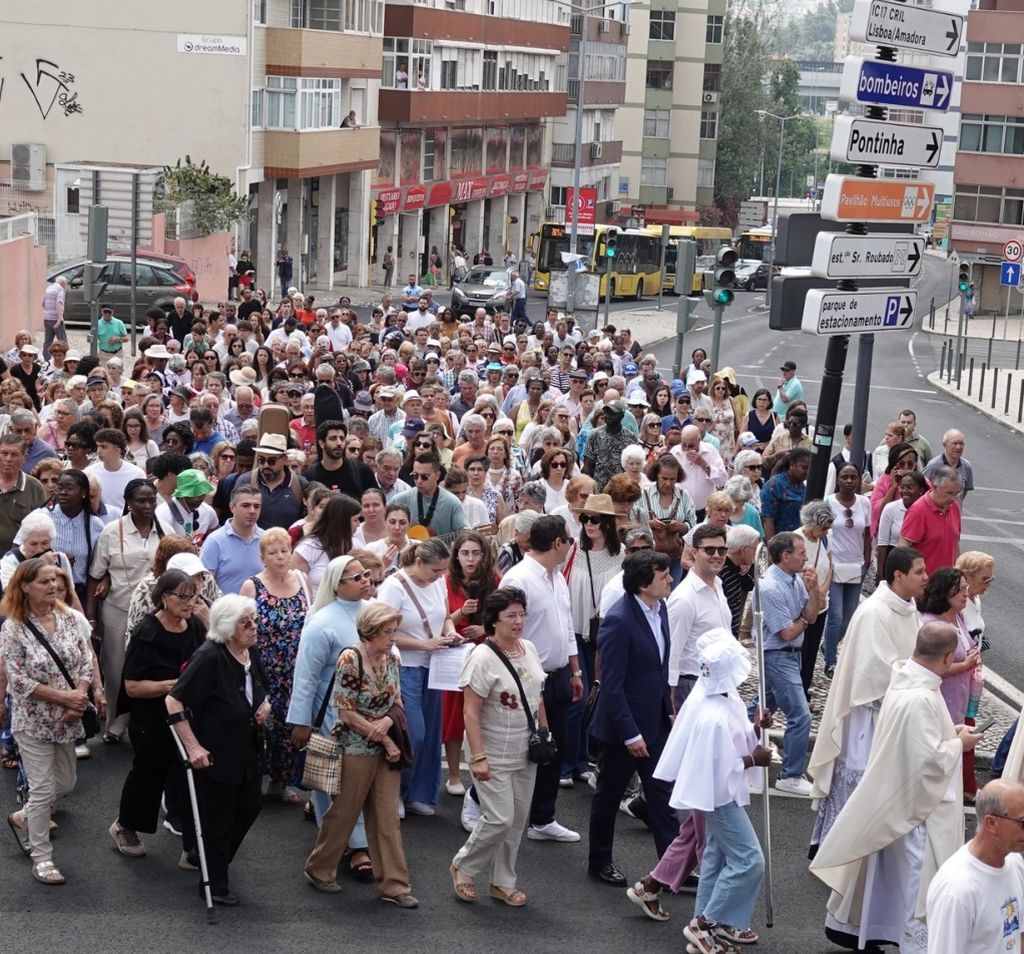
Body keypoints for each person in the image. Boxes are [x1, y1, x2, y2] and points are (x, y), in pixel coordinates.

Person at [810, 622, 981, 952]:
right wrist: (958, 744)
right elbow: (925, 763)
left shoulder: (905, 680)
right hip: (915, 813)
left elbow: (921, 741)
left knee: (890, 880)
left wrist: (951, 732)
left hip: (896, 800)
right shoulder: (920, 697)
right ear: (947, 658)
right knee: (912, 885)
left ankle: (878, 931)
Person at [653, 635, 772, 950]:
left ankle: (708, 927)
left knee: (716, 859)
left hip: (718, 795)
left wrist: (757, 729)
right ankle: (704, 922)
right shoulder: (713, 716)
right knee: (750, 860)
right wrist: (752, 759)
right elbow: (718, 767)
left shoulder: (719, 700)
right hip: (718, 797)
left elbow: (736, 738)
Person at [808, 546, 927, 849]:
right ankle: (841, 847)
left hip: (895, 712)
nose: (926, 577)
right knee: (861, 780)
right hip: (868, 714)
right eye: (919, 572)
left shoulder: (908, 607)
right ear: (898, 575)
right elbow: (875, 672)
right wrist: (920, 677)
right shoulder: (875, 612)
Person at [303, 602, 418, 908]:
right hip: (355, 746)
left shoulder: (392, 658)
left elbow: (397, 701)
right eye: (387, 631)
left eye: (394, 630)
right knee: (344, 811)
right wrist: (383, 737)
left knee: (387, 817)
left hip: (382, 743)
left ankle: (394, 885)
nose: (393, 637)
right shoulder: (350, 659)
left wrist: (387, 724)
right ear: (369, 632)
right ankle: (319, 869)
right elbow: (345, 712)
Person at [165, 595, 271, 906]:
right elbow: (173, 700)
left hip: (248, 746)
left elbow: (261, 688)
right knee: (219, 818)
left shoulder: (250, 651)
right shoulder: (209, 656)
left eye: (254, 620)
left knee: (249, 807)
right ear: (226, 628)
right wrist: (193, 747)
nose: (254, 627)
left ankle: (210, 857)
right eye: (245, 623)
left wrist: (265, 705)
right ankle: (215, 883)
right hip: (216, 750)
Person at [450, 587, 546, 906]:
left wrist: (544, 733)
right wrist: (477, 757)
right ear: (493, 621)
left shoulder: (529, 648)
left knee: (517, 821)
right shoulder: (481, 657)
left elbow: (537, 693)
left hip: (525, 751)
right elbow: (470, 712)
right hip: (492, 751)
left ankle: (503, 881)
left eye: (522, 614)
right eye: (511, 616)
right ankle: (464, 866)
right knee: (499, 818)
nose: (519, 621)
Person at [0, 559, 94, 884]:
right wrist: (64, 698)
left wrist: (79, 696)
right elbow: (18, 679)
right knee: (41, 790)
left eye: (54, 580)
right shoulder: (13, 627)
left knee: (65, 784)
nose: (53, 586)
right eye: (44, 581)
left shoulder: (68, 618)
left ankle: (22, 817)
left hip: (67, 719)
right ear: (24, 586)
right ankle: (42, 857)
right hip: (33, 721)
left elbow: (85, 659)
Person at [587, 550, 677, 887]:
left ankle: (672, 869)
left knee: (662, 796)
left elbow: (659, 666)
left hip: (654, 722)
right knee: (608, 797)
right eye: (663, 575)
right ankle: (599, 861)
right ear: (643, 584)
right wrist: (630, 734)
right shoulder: (619, 620)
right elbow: (612, 685)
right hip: (622, 731)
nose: (670, 579)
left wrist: (668, 709)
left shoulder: (661, 608)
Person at [108, 569, 206, 860]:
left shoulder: (195, 627)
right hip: (151, 718)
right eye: (183, 597)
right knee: (149, 774)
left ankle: (192, 845)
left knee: (189, 775)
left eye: (194, 596)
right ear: (164, 597)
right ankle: (125, 826)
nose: (190, 603)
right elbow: (133, 687)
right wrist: (174, 685)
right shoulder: (146, 633)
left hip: (187, 716)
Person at [286, 555, 374, 877]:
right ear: (338, 585)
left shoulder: (371, 613)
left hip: (371, 711)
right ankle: (352, 844)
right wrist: (301, 722)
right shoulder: (322, 621)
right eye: (357, 577)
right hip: (331, 712)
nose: (366, 580)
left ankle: (355, 841)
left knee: (363, 778)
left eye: (366, 574)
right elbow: (305, 676)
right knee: (332, 778)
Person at [499, 515, 583, 844]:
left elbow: (566, 626)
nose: (572, 545)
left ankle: (542, 818)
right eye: (569, 540)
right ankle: (480, 803)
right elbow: (503, 628)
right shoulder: (518, 578)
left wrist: (574, 670)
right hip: (528, 678)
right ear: (557, 543)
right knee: (516, 747)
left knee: (553, 748)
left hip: (559, 675)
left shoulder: (557, 576)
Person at [378, 538, 459, 815]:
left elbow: (446, 616)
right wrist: (425, 644)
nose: (440, 576)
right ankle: (395, 792)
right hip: (405, 666)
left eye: (443, 571)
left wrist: (450, 632)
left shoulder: (437, 582)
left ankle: (418, 793)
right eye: (436, 570)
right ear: (419, 562)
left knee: (431, 733)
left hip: (434, 664)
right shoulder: (393, 586)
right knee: (413, 732)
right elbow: (383, 633)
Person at [87, 478, 165, 743]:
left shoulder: (164, 530)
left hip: (155, 615)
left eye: (151, 500)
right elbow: (95, 576)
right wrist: (92, 618)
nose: (147, 505)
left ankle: (143, 724)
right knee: (115, 668)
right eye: (140, 500)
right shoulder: (112, 531)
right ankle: (115, 725)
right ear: (128, 503)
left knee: (150, 670)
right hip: (118, 610)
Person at [238, 528, 310, 804]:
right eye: (273, 553)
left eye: (284, 551)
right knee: (264, 722)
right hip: (264, 664)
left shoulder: (302, 580)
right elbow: (241, 624)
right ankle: (255, 777)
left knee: (291, 722)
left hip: (297, 663)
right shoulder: (252, 585)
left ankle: (282, 780)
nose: (280, 557)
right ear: (262, 557)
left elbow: (311, 616)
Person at [758, 530, 823, 796]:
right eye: (801, 553)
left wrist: (814, 589)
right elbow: (787, 632)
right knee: (800, 714)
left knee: (759, 708)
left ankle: (733, 753)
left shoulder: (795, 580)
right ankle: (790, 774)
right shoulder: (771, 587)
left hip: (789, 655)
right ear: (786, 556)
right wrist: (805, 620)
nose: (806, 557)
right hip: (778, 654)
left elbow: (812, 615)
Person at [926, 778, 1024, 953]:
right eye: (1022, 823)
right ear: (991, 823)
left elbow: (1018, 935)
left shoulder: (1014, 861)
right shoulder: (956, 892)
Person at [442, 530, 499, 796]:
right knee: (454, 717)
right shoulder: (445, 582)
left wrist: (484, 631)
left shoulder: (494, 580)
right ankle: (454, 775)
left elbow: (504, 619)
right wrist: (460, 612)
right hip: (455, 655)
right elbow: (439, 621)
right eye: (465, 553)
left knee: (485, 715)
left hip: (486, 652)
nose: (471, 559)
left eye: (476, 553)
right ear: (456, 556)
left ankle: (485, 770)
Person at [920, 566, 982, 802]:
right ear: (944, 593)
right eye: (960, 590)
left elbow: (968, 645)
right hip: (941, 696)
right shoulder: (930, 624)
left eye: (966, 589)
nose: (966, 594)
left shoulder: (960, 617)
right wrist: (966, 664)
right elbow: (932, 667)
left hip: (960, 696)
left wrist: (974, 655)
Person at [667, 523, 732, 710]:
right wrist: (670, 703)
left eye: (722, 550)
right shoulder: (684, 598)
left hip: (718, 681)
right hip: (692, 684)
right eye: (709, 550)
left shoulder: (718, 586)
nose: (717, 556)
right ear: (694, 553)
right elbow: (672, 652)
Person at [823, 463, 871, 674]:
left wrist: (868, 560)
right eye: (845, 477)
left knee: (849, 616)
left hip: (856, 564)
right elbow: (822, 533)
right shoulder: (829, 502)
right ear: (838, 479)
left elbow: (868, 533)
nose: (849, 481)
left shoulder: (864, 503)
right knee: (835, 614)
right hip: (834, 565)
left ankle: (829, 645)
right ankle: (831, 660)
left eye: (853, 477)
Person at [794, 500, 835, 691]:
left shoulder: (825, 538)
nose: (826, 532)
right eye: (823, 528)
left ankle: (805, 690)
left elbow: (830, 567)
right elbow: (792, 574)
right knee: (800, 652)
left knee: (811, 654)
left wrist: (822, 592)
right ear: (812, 524)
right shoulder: (795, 539)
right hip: (801, 606)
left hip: (820, 605)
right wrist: (813, 595)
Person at [199, 485, 265, 594]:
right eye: (246, 505)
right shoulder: (215, 541)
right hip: (226, 609)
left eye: (257, 506)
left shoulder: (266, 539)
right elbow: (204, 585)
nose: (252, 511)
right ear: (232, 507)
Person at [898, 465, 963, 575]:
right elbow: (903, 548)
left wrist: (958, 571)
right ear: (934, 487)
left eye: (956, 493)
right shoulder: (918, 511)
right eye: (949, 493)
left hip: (946, 584)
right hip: (924, 585)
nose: (953, 498)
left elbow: (954, 543)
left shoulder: (954, 507)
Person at [291, 494, 362, 593]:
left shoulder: (357, 545)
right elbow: (293, 583)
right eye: (355, 520)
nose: (359, 524)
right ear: (341, 521)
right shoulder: (309, 547)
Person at [642, 454, 694, 587]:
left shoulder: (684, 495)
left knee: (671, 592)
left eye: (673, 479)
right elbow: (633, 524)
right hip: (648, 558)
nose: (668, 483)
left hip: (675, 557)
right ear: (656, 475)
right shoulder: (644, 494)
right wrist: (650, 524)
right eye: (664, 478)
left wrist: (680, 527)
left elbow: (693, 526)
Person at [391, 451, 467, 540]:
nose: (419, 481)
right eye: (415, 475)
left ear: (437, 475)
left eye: (424, 477)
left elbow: (464, 535)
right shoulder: (399, 500)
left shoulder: (452, 502)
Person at [0, 433, 46, 554]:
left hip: (19, 562)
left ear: (24, 458)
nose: (8, 459)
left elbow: (40, 528)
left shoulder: (35, 488)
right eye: (4, 453)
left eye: (14, 454)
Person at [877, 471, 928, 580]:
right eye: (902, 487)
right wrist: (880, 574)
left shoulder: (926, 511)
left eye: (909, 488)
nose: (904, 491)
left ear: (921, 490)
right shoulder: (890, 508)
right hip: (895, 564)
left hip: (918, 565)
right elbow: (882, 543)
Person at [760, 446, 810, 538]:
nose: (807, 472)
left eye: (810, 468)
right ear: (792, 465)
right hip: (780, 541)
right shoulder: (774, 486)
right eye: (804, 467)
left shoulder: (802, 486)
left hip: (798, 540)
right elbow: (768, 521)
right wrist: (772, 548)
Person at [922, 428, 974, 504]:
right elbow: (922, 489)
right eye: (955, 443)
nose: (958, 447)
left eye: (961, 443)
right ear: (944, 445)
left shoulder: (967, 466)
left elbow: (963, 493)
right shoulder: (933, 466)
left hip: (955, 513)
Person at [41, 275, 68, 360]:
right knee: (63, 341)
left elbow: (43, 303)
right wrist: (59, 318)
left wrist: (48, 312)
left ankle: (45, 360)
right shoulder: (60, 289)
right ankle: (66, 359)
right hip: (55, 319)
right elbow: (58, 303)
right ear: (63, 283)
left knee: (47, 341)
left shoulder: (49, 288)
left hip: (47, 318)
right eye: (66, 284)